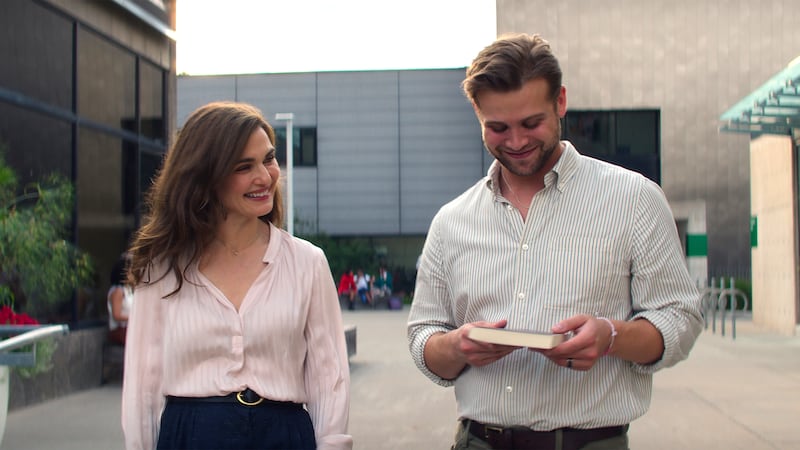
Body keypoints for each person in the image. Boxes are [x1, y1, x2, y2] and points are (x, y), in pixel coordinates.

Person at [407, 33, 703, 450]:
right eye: (497, 127)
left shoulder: (634, 199)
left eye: (531, 123)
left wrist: (611, 337)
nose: (515, 141)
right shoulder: (452, 221)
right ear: (478, 115)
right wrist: (455, 346)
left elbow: (681, 319)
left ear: (560, 101)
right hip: (477, 441)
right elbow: (423, 338)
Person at [122, 101, 352, 450]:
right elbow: (142, 385)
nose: (265, 176)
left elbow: (328, 379)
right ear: (206, 175)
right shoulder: (162, 266)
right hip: (190, 437)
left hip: (285, 437)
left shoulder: (307, 262)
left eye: (268, 159)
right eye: (244, 166)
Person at [107, 252, 133, 345]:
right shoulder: (118, 290)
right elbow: (116, 315)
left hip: (129, 329)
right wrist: (134, 318)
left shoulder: (128, 289)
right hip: (120, 331)